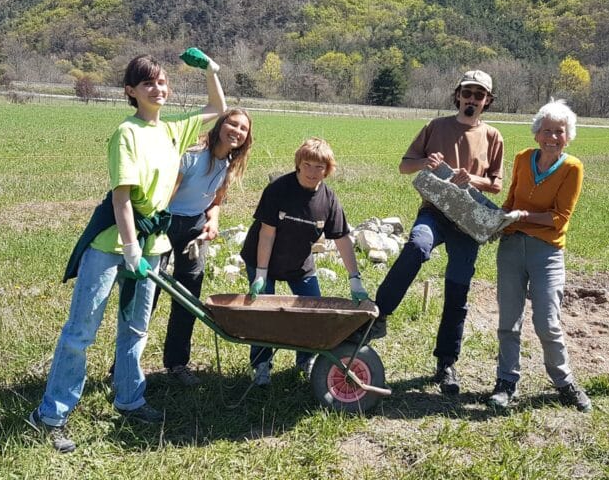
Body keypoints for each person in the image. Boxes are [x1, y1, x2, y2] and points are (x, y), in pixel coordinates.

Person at [27, 52, 226, 453]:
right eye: (148, 83)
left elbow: (218, 108)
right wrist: (130, 246)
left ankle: (129, 399)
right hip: (111, 246)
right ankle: (50, 415)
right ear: (131, 92)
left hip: (152, 245)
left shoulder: (173, 131)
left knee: (135, 330)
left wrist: (211, 72)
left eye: (163, 81)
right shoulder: (127, 133)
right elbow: (121, 198)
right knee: (81, 332)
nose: (159, 88)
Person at [371, 70, 504, 396]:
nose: (472, 99)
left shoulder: (493, 136)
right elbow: (405, 165)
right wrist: (425, 163)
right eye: (467, 93)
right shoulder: (435, 127)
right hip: (433, 212)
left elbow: (497, 185)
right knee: (416, 246)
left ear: (487, 101)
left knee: (457, 291)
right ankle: (380, 314)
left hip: (468, 221)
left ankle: (446, 363)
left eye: (479, 95)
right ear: (457, 95)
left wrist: (472, 178)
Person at [486, 99, 591, 412]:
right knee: (508, 321)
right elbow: (510, 201)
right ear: (537, 134)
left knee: (547, 322)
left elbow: (559, 218)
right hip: (511, 248)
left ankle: (564, 382)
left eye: (559, 132)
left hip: (547, 253)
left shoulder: (572, 168)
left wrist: (520, 216)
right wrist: (496, 223)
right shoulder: (522, 159)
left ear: (567, 136)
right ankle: (506, 382)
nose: (552, 137)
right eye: (547, 131)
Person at [239, 137, 368, 386]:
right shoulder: (278, 189)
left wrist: (355, 279)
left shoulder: (328, 200)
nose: (312, 172)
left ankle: (306, 360)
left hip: (299, 264)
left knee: (313, 313)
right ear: (299, 164)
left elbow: (341, 238)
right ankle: (261, 365)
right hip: (263, 258)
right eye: (307, 164)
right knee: (262, 314)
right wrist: (262, 273)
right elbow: (267, 233)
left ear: (327, 170)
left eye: (319, 167)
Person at [154, 108, 253, 386]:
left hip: (195, 228)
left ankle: (176, 364)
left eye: (242, 128)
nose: (236, 131)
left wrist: (212, 220)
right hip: (167, 223)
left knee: (188, 298)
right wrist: (155, 229)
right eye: (232, 124)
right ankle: (123, 368)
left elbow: (216, 200)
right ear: (220, 125)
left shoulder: (229, 163)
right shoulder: (194, 155)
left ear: (247, 137)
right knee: (147, 295)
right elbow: (165, 196)